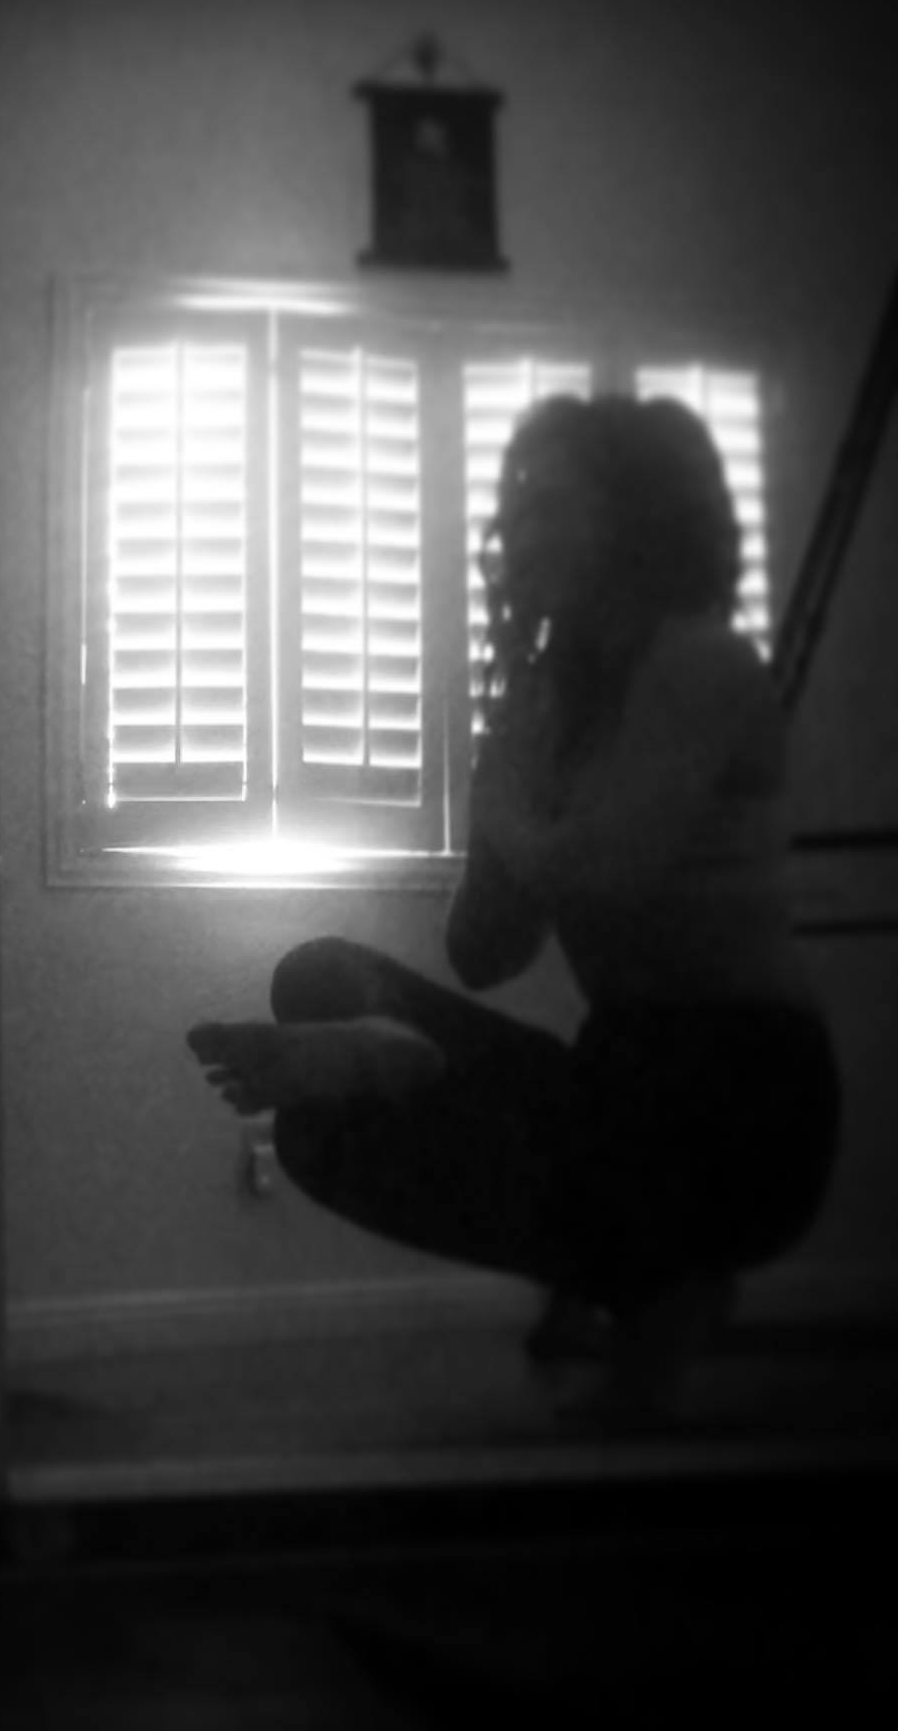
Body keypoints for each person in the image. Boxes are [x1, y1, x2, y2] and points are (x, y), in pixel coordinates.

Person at [187, 393, 841, 1432]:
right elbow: (485, 952)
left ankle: (656, 1287)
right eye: (514, 501)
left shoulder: (701, 660)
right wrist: (504, 782)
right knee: (317, 1010)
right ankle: (408, 1064)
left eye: (552, 499)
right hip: (621, 1066)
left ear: (631, 514)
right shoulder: (553, 704)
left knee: (594, 1096)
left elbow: (610, 871)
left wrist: (504, 804)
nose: (521, 526)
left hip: (745, 1101)